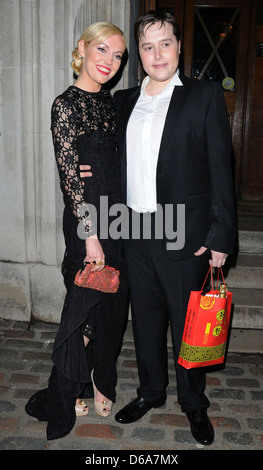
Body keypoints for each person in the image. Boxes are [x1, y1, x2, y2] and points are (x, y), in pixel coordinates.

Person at [111, 11, 236, 446]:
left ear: (180, 48)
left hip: (184, 231)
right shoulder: (124, 101)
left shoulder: (202, 96)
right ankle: (150, 392)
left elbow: (222, 170)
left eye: (165, 43)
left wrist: (221, 236)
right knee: (144, 320)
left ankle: (194, 403)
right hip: (135, 230)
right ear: (139, 54)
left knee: (189, 323)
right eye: (147, 46)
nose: (157, 53)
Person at [25, 22, 128, 440]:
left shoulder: (113, 104)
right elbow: (71, 179)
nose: (109, 61)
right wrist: (90, 236)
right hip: (88, 222)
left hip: (121, 218)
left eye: (118, 55)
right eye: (102, 50)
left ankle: (102, 381)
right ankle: (65, 392)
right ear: (82, 49)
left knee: (112, 308)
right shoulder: (64, 105)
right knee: (84, 310)